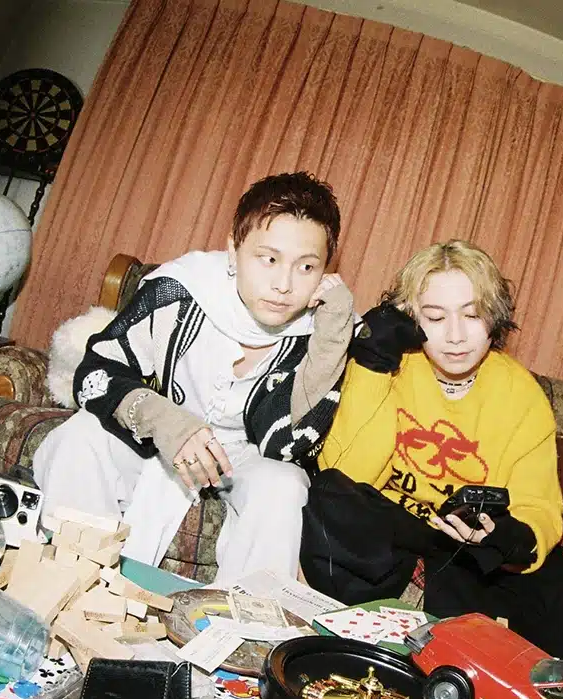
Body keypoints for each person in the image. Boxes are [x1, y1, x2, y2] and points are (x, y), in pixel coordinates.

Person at [300, 240, 563, 688]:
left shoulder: (520, 394)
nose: (455, 335)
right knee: (330, 500)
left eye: (471, 315)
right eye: (435, 317)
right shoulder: (391, 364)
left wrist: (507, 536)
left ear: (494, 318)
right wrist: (374, 366)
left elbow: (539, 504)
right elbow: (345, 474)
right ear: (410, 319)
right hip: (397, 525)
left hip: (472, 541)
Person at [34, 171, 355, 583]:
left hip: (247, 458)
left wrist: (332, 337)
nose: (283, 285)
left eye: (306, 266)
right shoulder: (182, 290)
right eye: (269, 259)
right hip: (159, 438)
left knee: (285, 485)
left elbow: (286, 447)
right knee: (80, 435)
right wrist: (165, 421)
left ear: (325, 271)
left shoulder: (322, 330)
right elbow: (95, 372)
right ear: (234, 249)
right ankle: (72, 581)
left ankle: (241, 618)